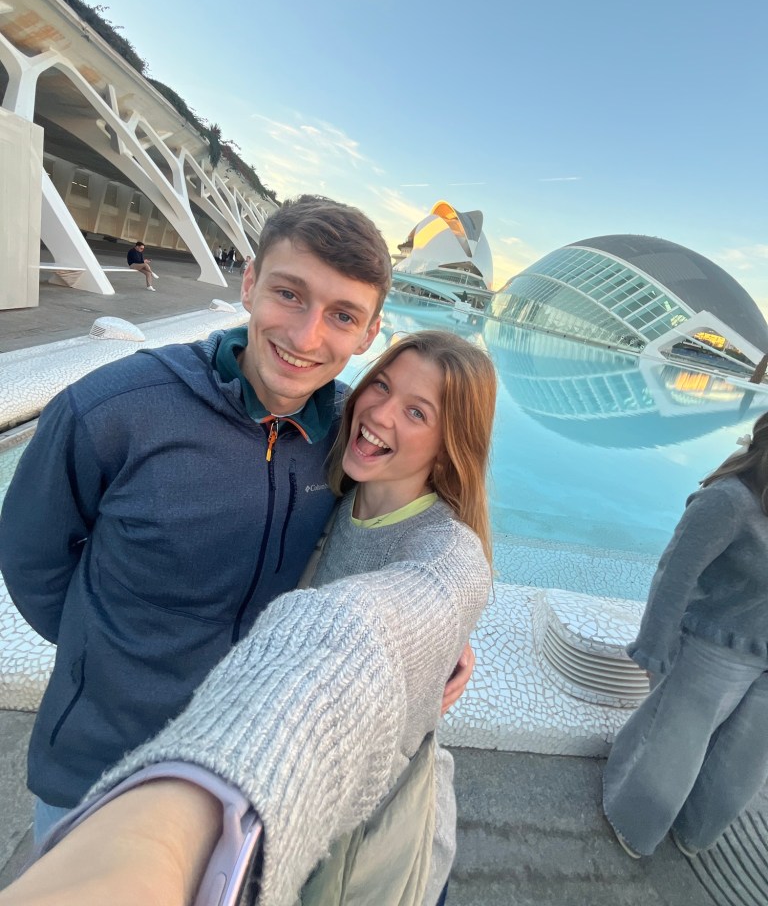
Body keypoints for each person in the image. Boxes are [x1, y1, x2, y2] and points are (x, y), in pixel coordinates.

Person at [2, 330, 495, 906]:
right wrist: (98, 637)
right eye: (381, 386)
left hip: (368, 858)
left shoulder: (446, 553)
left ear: (450, 446)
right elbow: (32, 553)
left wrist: (430, 634)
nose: (380, 414)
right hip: (284, 839)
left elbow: (359, 628)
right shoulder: (337, 476)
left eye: (417, 412)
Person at [0, 196, 398, 840]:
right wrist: (99, 653)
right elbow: (30, 555)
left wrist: (443, 634)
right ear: (249, 284)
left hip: (244, 766)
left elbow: (417, 516)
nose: (306, 338)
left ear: (369, 334)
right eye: (289, 294)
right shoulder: (113, 409)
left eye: (342, 315)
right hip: (100, 764)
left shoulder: (354, 436)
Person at [603, 411, 768, 859]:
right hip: (716, 649)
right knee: (673, 747)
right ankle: (635, 825)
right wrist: (654, 649)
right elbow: (675, 576)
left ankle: (695, 830)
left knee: (744, 760)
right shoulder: (729, 501)